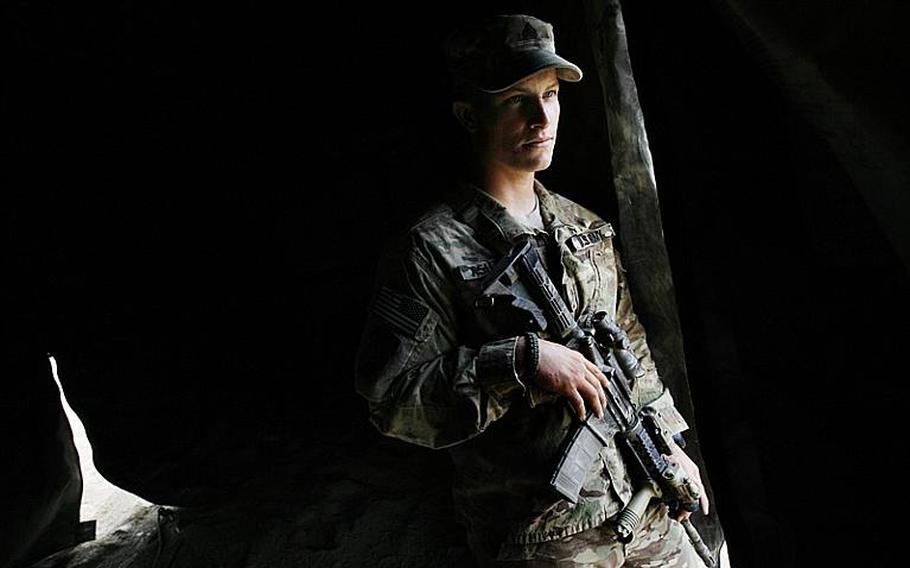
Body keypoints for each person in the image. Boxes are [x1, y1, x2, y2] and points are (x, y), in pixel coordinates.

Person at [355, 14, 709, 567]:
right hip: (540, 537)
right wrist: (520, 361)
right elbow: (393, 400)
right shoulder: (430, 248)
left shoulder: (585, 227)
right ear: (470, 115)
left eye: (550, 95)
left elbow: (631, 349)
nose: (542, 116)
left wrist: (669, 449)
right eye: (517, 100)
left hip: (642, 505)